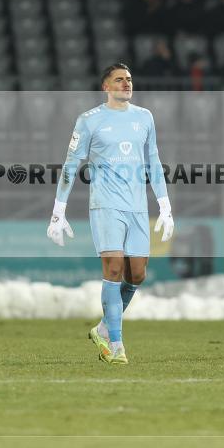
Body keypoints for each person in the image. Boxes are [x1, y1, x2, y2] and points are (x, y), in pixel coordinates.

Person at [47, 63, 174, 365]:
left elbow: (154, 161)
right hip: (105, 205)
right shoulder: (89, 120)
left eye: (128, 79)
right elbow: (70, 165)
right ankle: (116, 345)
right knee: (114, 268)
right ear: (106, 87)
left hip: (137, 207)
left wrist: (165, 205)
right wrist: (58, 210)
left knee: (137, 274)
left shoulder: (144, 117)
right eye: (119, 80)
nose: (126, 83)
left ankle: (103, 327)